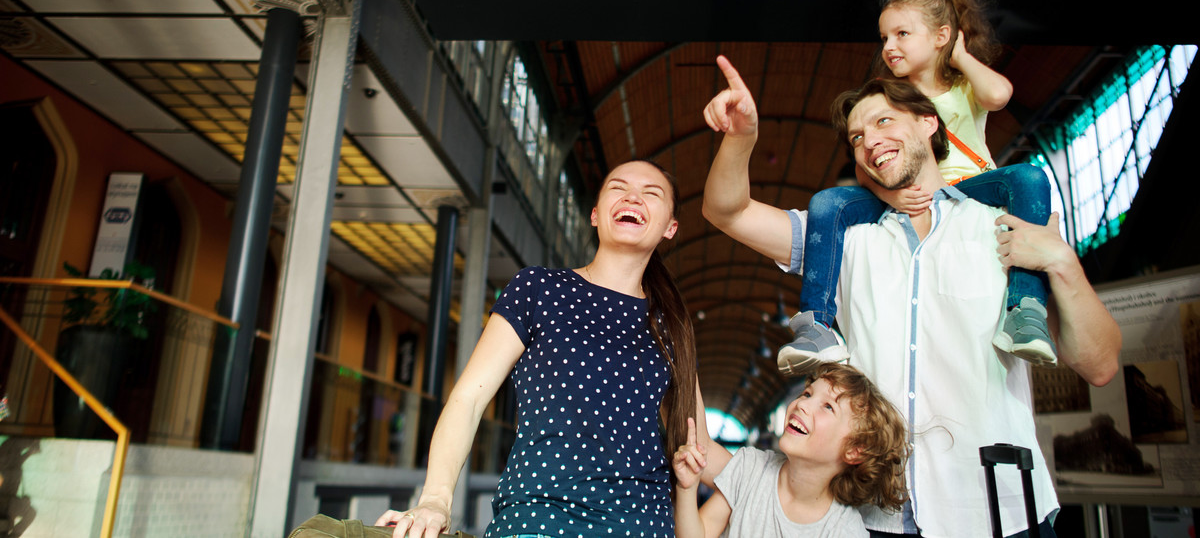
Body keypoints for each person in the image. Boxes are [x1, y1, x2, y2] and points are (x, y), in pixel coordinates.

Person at [702, 66, 1121, 537]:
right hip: (875, 517)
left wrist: (1062, 262)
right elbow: (727, 210)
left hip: (999, 508)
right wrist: (741, 137)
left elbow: (1100, 365)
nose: (869, 140)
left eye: (883, 121)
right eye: (857, 137)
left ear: (929, 121)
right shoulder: (842, 239)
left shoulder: (1004, 223)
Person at [376, 159, 714, 538]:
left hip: (641, 525)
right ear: (594, 215)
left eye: (651, 193)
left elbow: (697, 448)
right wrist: (436, 498)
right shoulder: (538, 288)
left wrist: (777, 479)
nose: (633, 196)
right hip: (537, 521)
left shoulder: (672, 329)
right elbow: (468, 399)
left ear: (670, 228)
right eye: (618, 188)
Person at [776, 0, 1059, 377]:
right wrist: (890, 198)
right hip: (910, 193)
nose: (889, 47)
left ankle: (1025, 310)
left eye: (902, 34)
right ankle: (817, 324)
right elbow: (863, 163)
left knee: (1029, 178)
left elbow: (998, 96)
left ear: (942, 35)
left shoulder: (963, 85)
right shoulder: (887, 96)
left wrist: (959, 54)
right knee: (827, 203)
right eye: (885, 37)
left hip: (968, 188)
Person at [673, 363, 908, 538]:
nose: (802, 404)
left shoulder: (844, 530)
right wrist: (687, 489)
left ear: (856, 450)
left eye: (828, 406)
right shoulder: (749, 469)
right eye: (807, 394)